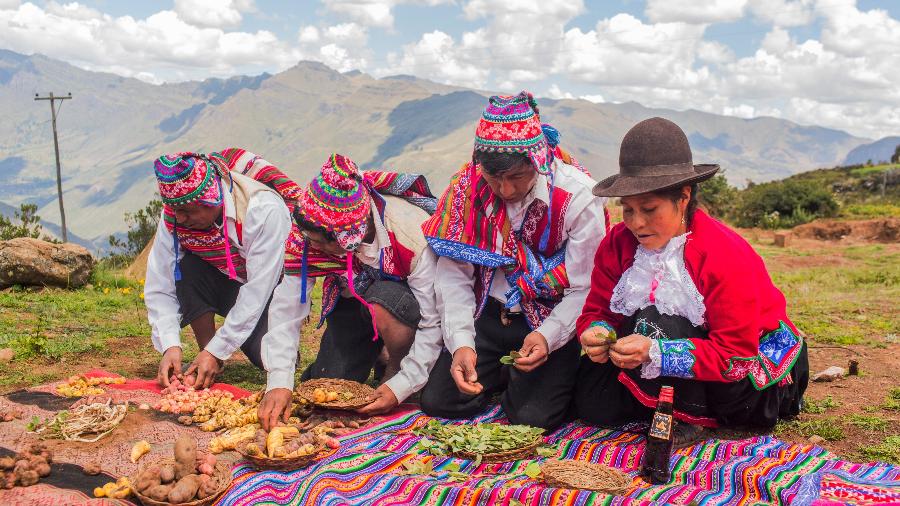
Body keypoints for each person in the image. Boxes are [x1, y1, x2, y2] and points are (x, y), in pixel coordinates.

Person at [575, 117, 809, 446]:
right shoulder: (617, 243)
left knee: (655, 322)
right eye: (627, 209)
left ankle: (688, 416)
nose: (636, 223)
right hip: (682, 355)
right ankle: (671, 402)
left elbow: (734, 357)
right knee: (593, 401)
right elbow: (597, 309)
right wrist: (595, 330)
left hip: (748, 378)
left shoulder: (724, 255)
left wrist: (657, 351)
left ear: (683, 197)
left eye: (649, 208)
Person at [419, 91, 608, 430]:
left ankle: (546, 378)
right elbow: (454, 274)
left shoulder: (578, 196)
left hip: (547, 317)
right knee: (440, 401)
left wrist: (548, 337)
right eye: (495, 179)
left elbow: (584, 288)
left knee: (531, 418)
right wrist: (461, 343)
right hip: (489, 317)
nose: (505, 191)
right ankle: (506, 376)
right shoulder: (467, 190)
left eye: (517, 177)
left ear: (537, 160)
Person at [144, 149, 310, 418]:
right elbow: (159, 282)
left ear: (212, 201)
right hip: (221, 278)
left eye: (187, 212)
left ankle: (214, 356)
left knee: (265, 355)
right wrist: (170, 345)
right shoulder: (175, 216)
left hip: (266, 290)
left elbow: (258, 291)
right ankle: (206, 355)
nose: (180, 219)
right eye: (175, 211)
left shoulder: (262, 210)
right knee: (186, 268)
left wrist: (219, 351)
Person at [294, 154, 443, 417]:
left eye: (317, 242)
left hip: (403, 309)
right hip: (355, 299)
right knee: (330, 385)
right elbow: (287, 307)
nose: (312, 247)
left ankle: (398, 365)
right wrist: (279, 382)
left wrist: (401, 386)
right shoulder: (316, 229)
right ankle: (376, 352)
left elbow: (433, 321)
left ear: (344, 240)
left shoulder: (411, 236)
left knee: (384, 298)